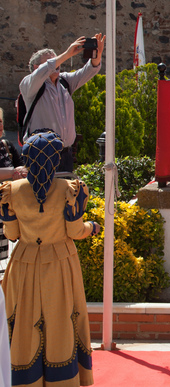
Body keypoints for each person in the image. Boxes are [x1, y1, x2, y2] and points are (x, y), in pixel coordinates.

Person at [1, 131, 101, 386]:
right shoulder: (69, 190)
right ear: (55, 160)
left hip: (24, 262)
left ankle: (25, 379)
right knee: (61, 320)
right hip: (59, 262)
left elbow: (11, 234)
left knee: (23, 320)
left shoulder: (11, 191)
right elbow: (75, 232)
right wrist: (93, 226)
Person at [18, 35, 104, 173]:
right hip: (40, 154)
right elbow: (43, 71)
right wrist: (67, 54)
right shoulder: (29, 84)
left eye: (57, 59)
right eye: (52, 61)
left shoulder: (64, 81)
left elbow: (89, 71)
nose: (57, 63)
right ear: (36, 67)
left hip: (65, 154)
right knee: (43, 194)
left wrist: (96, 56)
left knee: (64, 194)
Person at [0, 110, 28, 181]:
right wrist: (13, 172)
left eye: (0, 121)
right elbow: (16, 170)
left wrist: (21, 172)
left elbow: (21, 165)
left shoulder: (6, 145)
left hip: (10, 190)